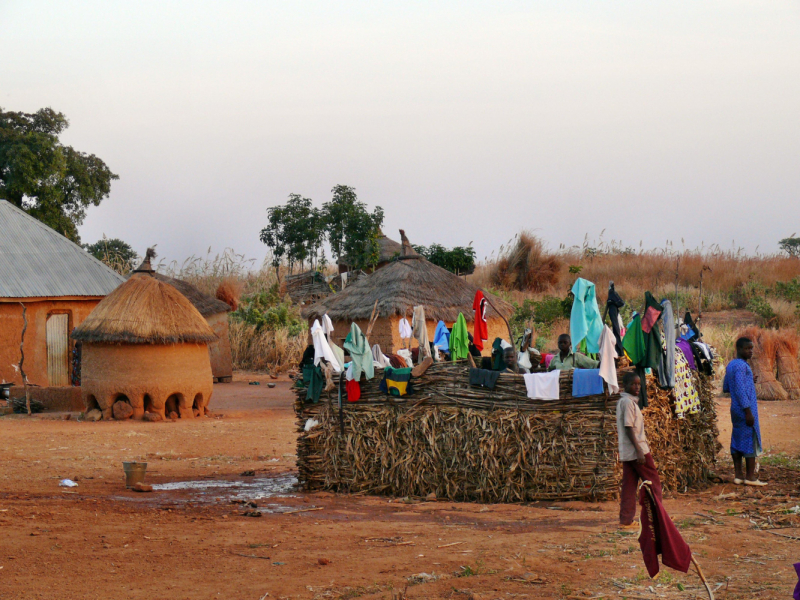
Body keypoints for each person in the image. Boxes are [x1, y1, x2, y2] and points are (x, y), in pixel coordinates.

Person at [617, 370, 663, 530]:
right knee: (653, 481)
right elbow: (629, 427)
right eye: (633, 384)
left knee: (629, 486)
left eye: (638, 384)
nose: (637, 387)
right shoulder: (628, 403)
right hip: (637, 449)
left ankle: (626, 520)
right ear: (625, 386)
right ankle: (659, 518)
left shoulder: (625, 402)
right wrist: (639, 451)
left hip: (627, 451)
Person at [723, 337, 766, 486]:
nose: (751, 351)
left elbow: (727, 387)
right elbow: (741, 391)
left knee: (737, 438)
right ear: (739, 349)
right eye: (747, 348)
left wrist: (749, 380)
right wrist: (748, 411)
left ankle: (738, 476)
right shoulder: (742, 366)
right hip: (745, 408)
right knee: (750, 439)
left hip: (735, 408)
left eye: (751, 348)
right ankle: (750, 477)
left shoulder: (731, 365)